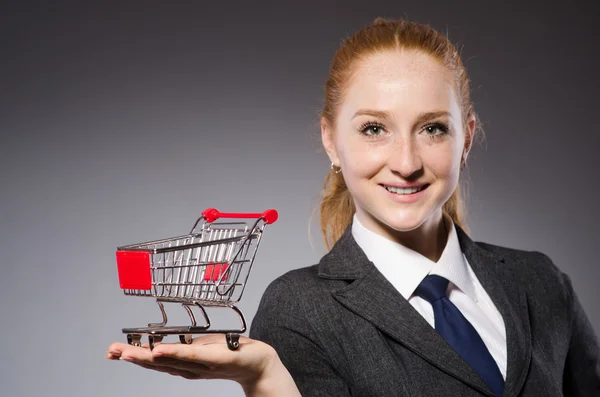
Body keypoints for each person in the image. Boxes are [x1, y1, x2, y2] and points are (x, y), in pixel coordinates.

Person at [106, 18, 600, 396]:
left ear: (466, 137)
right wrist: (268, 383)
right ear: (331, 140)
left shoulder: (541, 284)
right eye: (373, 129)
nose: (406, 162)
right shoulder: (300, 310)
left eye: (432, 128)